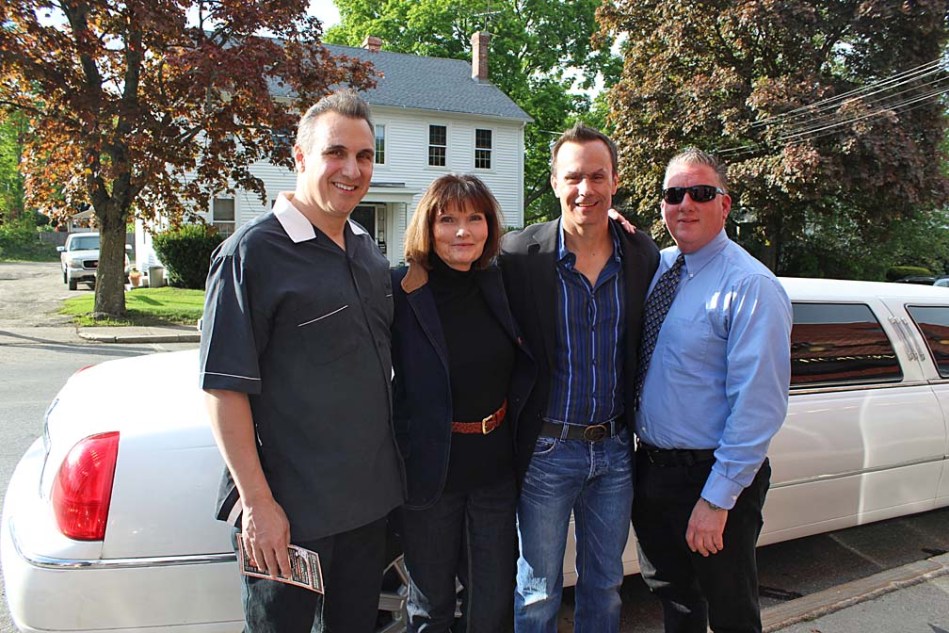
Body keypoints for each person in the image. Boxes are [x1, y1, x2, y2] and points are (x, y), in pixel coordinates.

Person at [198, 91, 403, 633]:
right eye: (336, 152)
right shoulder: (252, 253)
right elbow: (224, 389)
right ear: (300, 157)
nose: (352, 169)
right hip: (288, 514)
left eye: (364, 156)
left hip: (366, 507)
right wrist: (258, 505)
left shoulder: (367, 251)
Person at [499, 123, 659, 632]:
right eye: (573, 177)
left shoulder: (642, 255)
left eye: (597, 176)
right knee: (537, 590)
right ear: (553, 183)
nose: (584, 189)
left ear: (615, 181)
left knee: (605, 585)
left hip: (614, 451)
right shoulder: (520, 256)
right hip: (547, 449)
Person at [632, 148, 792, 633]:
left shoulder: (751, 287)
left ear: (724, 204)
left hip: (713, 476)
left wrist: (717, 500)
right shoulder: (657, 270)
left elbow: (758, 406)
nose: (685, 204)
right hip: (652, 470)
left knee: (730, 610)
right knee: (674, 600)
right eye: (673, 193)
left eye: (701, 192)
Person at [391, 174, 534, 632]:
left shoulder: (501, 282)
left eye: (475, 218)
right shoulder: (400, 289)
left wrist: (609, 220)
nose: (462, 231)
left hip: (494, 471)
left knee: (490, 606)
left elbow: (558, 245)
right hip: (430, 474)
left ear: (490, 226)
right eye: (447, 219)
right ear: (427, 228)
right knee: (429, 609)